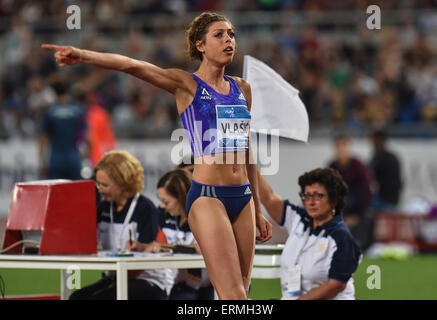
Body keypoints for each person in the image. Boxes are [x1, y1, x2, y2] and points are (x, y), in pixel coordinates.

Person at [43, 11, 272, 300]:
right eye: (219, 34)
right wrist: (84, 55)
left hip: (244, 199)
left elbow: (246, 149)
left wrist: (258, 207)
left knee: (243, 292)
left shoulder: (242, 89)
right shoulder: (186, 85)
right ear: (200, 45)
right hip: (208, 197)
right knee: (234, 296)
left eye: (232, 34)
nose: (229, 39)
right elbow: (132, 66)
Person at [69, 150, 163, 300]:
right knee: (77, 297)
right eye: (98, 184)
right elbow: (84, 242)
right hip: (114, 277)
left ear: (122, 183)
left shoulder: (145, 209)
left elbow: (145, 260)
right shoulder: (104, 207)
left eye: (105, 185)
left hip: (147, 279)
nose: (100, 189)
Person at [258, 168, 362, 300]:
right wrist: (246, 163)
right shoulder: (299, 219)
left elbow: (336, 285)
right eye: (307, 195)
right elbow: (268, 198)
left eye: (318, 195)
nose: (311, 201)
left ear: (334, 199)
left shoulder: (341, 237)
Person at [130, 168, 214, 300]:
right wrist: (142, 246)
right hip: (182, 283)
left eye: (166, 202)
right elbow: (158, 245)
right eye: (161, 200)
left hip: (210, 286)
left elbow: (203, 248)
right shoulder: (164, 215)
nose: (162, 206)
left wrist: (165, 247)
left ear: (182, 197)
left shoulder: (206, 213)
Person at [38, 80, 89, 180]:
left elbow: (43, 139)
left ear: (54, 93)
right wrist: (86, 157)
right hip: (73, 159)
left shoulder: (49, 112)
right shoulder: (78, 111)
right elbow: (88, 138)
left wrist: (42, 162)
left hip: (56, 160)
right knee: (74, 192)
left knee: (57, 193)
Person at [370, 129, 402, 210]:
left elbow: (369, 175)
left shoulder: (379, 157)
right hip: (394, 199)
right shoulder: (393, 157)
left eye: (373, 140)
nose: (372, 144)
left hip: (383, 200)